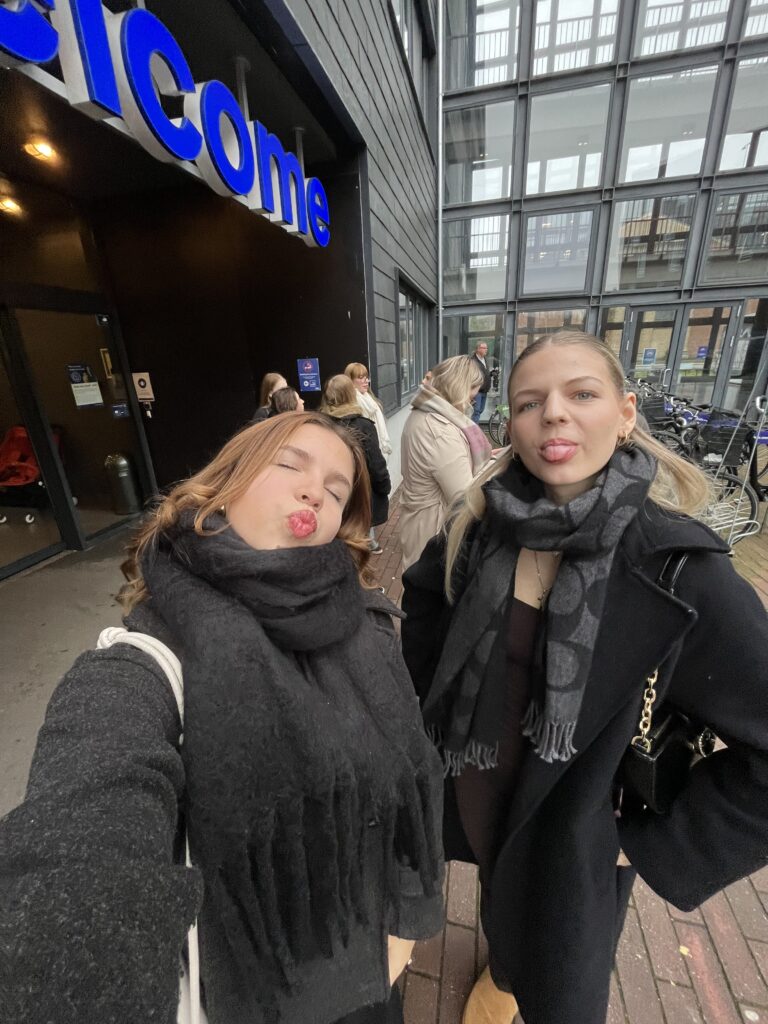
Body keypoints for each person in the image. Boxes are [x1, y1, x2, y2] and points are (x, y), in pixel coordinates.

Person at [0, 412, 445, 1024]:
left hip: (370, 975)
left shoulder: (364, 622)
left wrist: (397, 941)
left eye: (336, 490)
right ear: (224, 487)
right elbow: (79, 844)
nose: (315, 492)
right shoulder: (143, 667)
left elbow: (404, 788)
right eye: (289, 465)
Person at [401, 331, 768, 1024]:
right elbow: (425, 603)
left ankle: (514, 979)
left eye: (582, 393)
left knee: (555, 966)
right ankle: (503, 968)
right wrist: (426, 724)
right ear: (510, 427)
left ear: (626, 413)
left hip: (578, 830)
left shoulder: (683, 571)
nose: (553, 414)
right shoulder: (481, 525)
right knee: (501, 889)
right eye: (529, 402)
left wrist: (647, 847)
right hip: (478, 789)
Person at [399, 355, 491, 571]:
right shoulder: (439, 430)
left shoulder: (425, 413)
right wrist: (495, 469)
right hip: (434, 530)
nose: (475, 396)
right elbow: (464, 497)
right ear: (460, 386)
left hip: (420, 523)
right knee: (428, 586)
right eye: (474, 388)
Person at [321, 375, 391, 554]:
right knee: (357, 545)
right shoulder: (363, 425)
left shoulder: (321, 425)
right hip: (359, 493)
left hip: (330, 493)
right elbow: (376, 463)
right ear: (350, 395)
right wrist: (384, 486)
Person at [344, 362, 393, 459]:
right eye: (360, 377)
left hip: (377, 450)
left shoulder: (369, 399)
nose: (366, 381)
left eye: (366, 377)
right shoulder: (351, 404)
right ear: (350, 380)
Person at [470, 342, 492, 425]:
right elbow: (471, 376)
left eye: (486, 348)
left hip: (484, 390)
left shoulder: (484, 359)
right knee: (476, 411)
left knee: (480, 410)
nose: (486, 350)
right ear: (478, 349)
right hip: (477, 390)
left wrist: (490, 374)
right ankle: (474, 429)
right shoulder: (473, 361)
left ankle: (472, 426)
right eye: (484, 348)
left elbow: (484, 373)